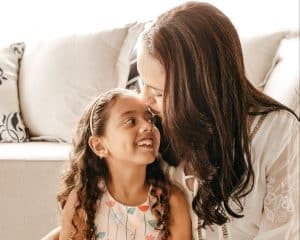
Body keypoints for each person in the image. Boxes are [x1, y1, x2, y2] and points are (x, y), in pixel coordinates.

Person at [137, 1, 299, 240]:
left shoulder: (276, 131)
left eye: (159, 93)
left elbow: (281, 232)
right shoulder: (153, 131)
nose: (144, 100)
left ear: (201, 90)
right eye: (142, 84)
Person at [57, 88, 191, 240]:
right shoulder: (83, 200)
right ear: (99, 146)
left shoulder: (172, 201)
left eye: (150, 119)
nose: (148, 126)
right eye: (130, 121)